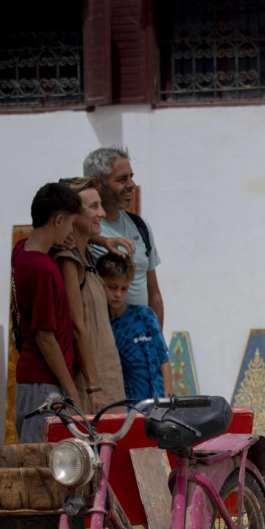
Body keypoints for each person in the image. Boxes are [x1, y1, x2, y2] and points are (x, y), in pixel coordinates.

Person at [0, 182, 80, 529]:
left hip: (31, 378)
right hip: (44, 383)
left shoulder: (21, 252)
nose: (71, 235)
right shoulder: (44, 270)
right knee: (42, 475)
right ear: (58, 219)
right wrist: (71, 392)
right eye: (70, 224)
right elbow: (46, 337)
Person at [57, 178, 125, 413]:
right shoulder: (69, 260)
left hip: (108, 376)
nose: (102, 213)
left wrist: (103, 240)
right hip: (91, 385)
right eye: (94, 207)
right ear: (73, 214)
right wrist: (94, 388)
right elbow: (77, 326)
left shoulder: (86, 255)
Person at [84, 147, 165, 327]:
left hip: (140, 345)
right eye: (122, 179)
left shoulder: (140, 226)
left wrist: (156, 345)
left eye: (131, 176)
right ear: (97, 184)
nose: (131, 184)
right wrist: (102, 241)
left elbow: (154, 293)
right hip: (103, 343)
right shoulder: (83, 230)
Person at [97, 253, 172, 401]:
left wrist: (168, 400)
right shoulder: (103, 325)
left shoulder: (145, 316)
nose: (118, 294)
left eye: (124, 289)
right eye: (112, 287)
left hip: (157, 402)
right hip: (126, 405)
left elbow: (163, 360)